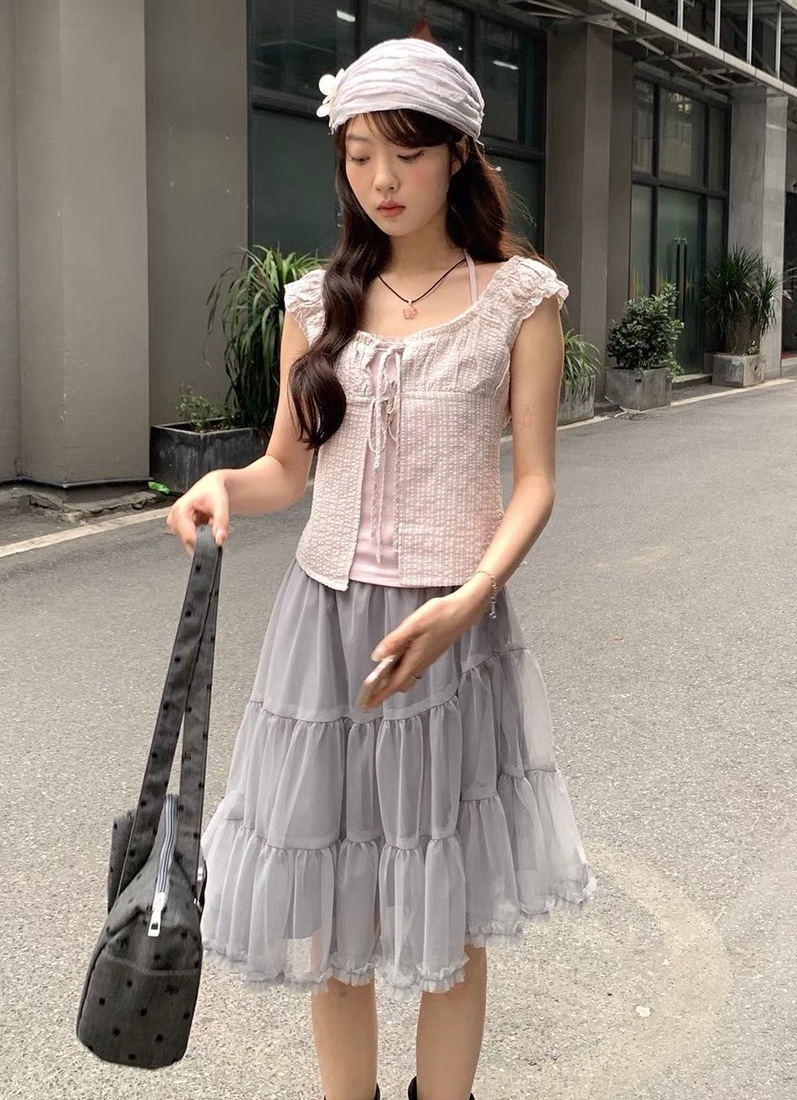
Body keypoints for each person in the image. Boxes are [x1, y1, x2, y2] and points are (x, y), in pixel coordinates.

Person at [167, 36, 594, 1100]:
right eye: (358, 157)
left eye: (404, 153)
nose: (381, 180)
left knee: (448, 905)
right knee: (332, 905)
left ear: (456, 154)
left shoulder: (518, 297)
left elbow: (534, 481)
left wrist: (470, 597)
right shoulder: (315, 303)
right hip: (323, 628)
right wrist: (225, 486)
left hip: (451, 628)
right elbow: (285, 467)